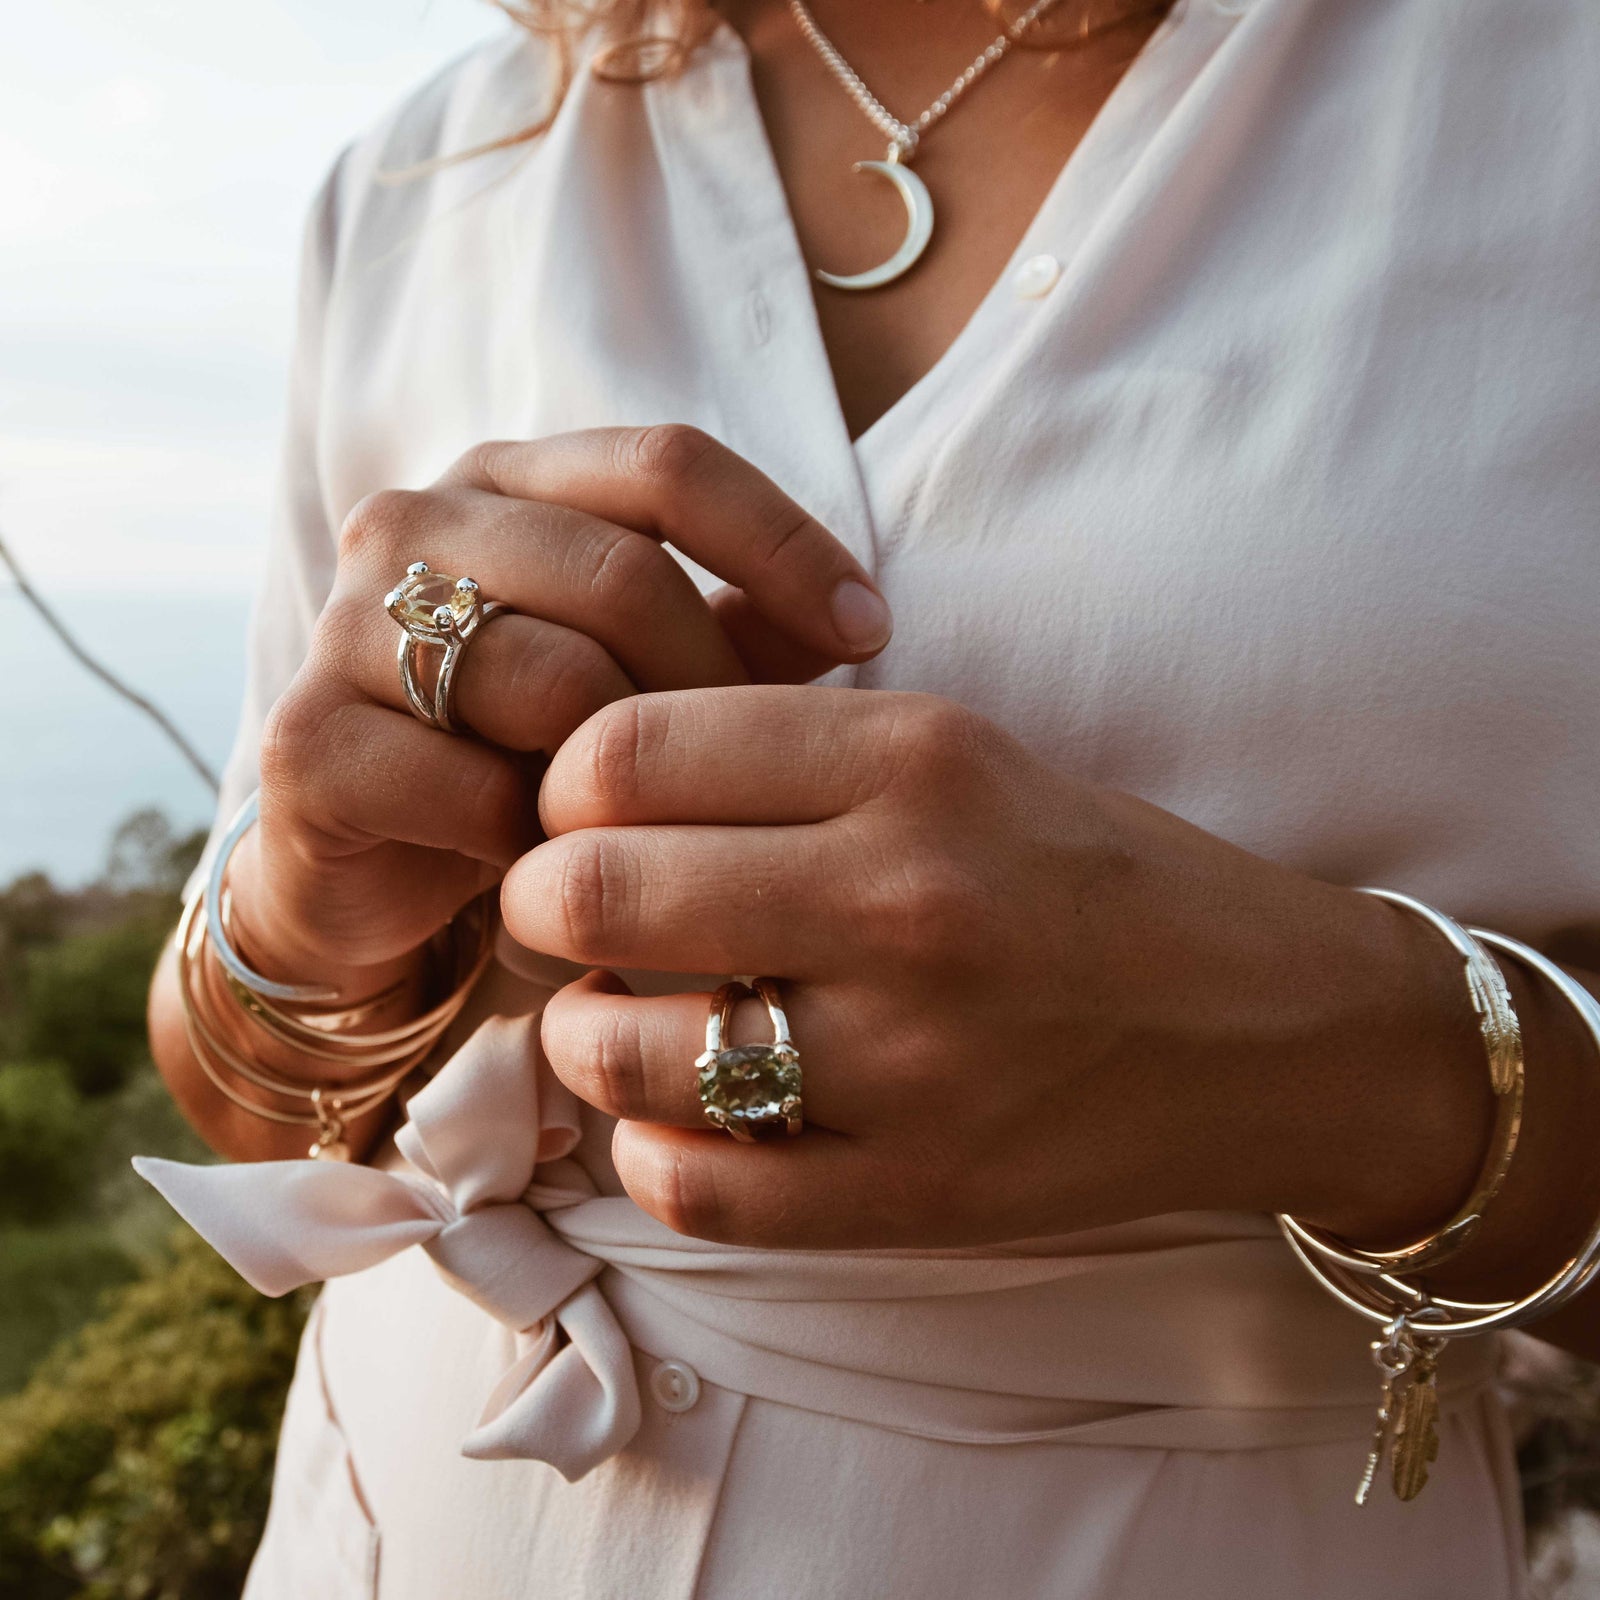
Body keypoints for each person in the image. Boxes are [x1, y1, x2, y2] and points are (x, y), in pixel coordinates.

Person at [141, 1, 1600, 1594]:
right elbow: (252, 1106)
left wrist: (1362, 1067)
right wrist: (309, 901)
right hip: (387, 1514)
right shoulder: (428, 176)